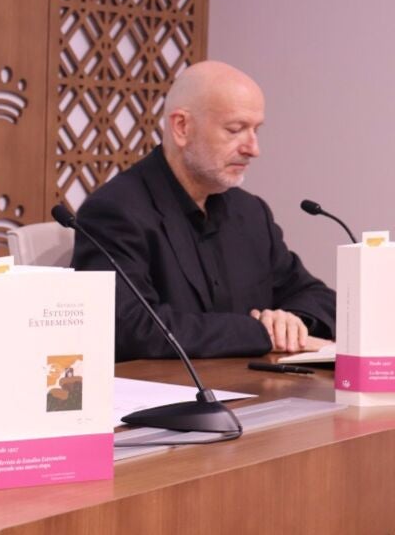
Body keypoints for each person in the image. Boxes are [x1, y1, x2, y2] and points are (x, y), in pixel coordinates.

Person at [71, 60, 335, 361]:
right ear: (182, 127)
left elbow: (318, 297)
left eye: (256, 130)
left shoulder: (251, 213)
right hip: (163, 388)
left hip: (252, 384)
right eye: (235, 130)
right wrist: (258, 333)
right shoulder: (115, 211)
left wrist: (290, 325)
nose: (253, 148)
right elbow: (130, 328)